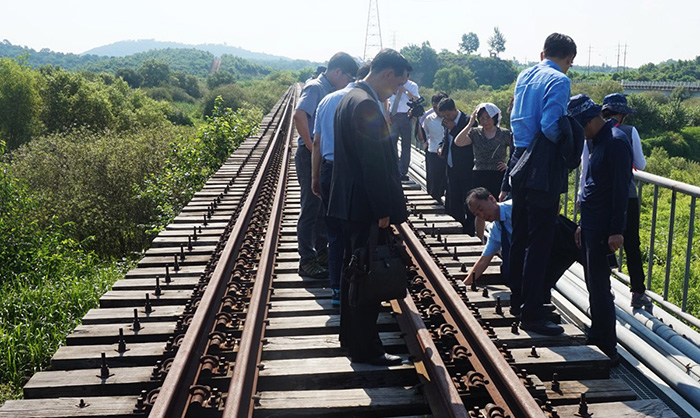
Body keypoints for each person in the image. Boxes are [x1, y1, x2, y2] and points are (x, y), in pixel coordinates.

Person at [328, 48, 412, 366]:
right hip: (364, 207)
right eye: (396, 84)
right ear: (386, 74)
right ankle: (367, 349)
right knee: (367, 279)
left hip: (349, 204)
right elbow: (373, 165)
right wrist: (382, 211)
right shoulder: (365, 104)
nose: (396, 91)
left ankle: (351, 339)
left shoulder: (348, 97)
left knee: (354, 276)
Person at [507, 33, 577, 336]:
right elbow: (550, 126)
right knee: (541, 240)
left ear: (542, 53)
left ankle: (518, 299)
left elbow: (514, 118)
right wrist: (567, 145)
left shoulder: (526, 74)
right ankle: (533, 312)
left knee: (520, 234)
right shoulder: (559, 80)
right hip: (542, 168)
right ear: (568, 59)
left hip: (518, 161)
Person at [570, 94, 632, 364]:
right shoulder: (596, 141)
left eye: (581, 126)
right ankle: (597, 335)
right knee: (593, 284)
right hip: (591, 224)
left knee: (601, 286)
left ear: (592, 119)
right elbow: (591, 185)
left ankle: (607, 345)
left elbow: (620, 191)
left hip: (605, 227)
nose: (580, 133)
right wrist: (583, 222)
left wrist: (616, 230)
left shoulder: (617, 143)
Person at [579, 93, 651, 308]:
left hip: (598, 198)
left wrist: (581, 197)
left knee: (600, 245)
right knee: (631, 243)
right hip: (626, 196)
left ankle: (603, 293)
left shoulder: (591, 133)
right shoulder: (628, 132)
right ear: (623, 113)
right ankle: (638, 291)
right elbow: (641, 163)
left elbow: (586, 168)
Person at [464, 187, 581, 315]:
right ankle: (538, 311)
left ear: (492, 199)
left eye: (481, 209)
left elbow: (555, 207)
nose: (482, 215)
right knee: (521, 275)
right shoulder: (497, 228)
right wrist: (465, 284)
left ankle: (539, 312)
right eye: (477, 214)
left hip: (560, 243)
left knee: (540, 279)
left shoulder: (516, 207)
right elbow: (484, 259)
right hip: (540, 252)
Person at [294, 52, 358, 279]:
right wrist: (313, 149)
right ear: (337, 71)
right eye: (347, 76)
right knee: (310, 207)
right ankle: (306, 259)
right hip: (309, 153)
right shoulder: (315, 87)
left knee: (322, 207)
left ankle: (321, 253)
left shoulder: (329, 90)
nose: (348, 82)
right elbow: (299, 115)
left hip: (318, 155)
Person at [311, 64, 371, 308]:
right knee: (358, 234)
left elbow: (317, 142)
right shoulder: (364, 101)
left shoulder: (326, 100)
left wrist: (315, 177)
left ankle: (336, 288)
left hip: (328, 169)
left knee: (334, 234)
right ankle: (357, 289)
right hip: (354, 173)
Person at [455, 103, 512, 241]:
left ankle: (500, 239)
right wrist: (470, 124)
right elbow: (459, 142)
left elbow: (516, 152)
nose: (485, 121)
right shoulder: (475, 133)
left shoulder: (504, 133)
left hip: (498, 174)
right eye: (482, 118)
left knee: (498, 208)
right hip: (479, 173)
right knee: (479, 211)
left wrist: (507, 166)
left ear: (494, 117)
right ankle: (480, 240)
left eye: (488, 118)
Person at [437, 98, 474, 235]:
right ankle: (456, 228)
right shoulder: (447, 123)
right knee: (453, 200)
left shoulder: (468, 120)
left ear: (454, 109)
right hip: (450, 167)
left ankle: (469, 231)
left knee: (467, 201)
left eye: (448, 114)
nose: (446, 118)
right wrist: (441, 147)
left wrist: (453, 128)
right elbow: (447, 138)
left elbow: (465, 140)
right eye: (444, 116)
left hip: (465, 168)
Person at [389, 79, 420, 180]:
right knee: (392, 143)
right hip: (393, 115)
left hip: (406, 116)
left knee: (406, 145)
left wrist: (405, 91)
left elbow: (416, 99)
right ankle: (394, 167)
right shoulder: (392, 81)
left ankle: (403, 171)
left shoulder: (412, 85)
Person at [420, 92, 449, 201]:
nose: (437, 110)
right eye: (434, 107)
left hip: (447, 154)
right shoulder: (428, 118)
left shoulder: (452, 119)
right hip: (433, 154)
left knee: (447, 183)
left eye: (439, 107)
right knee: (434, 184)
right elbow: (422, 136)